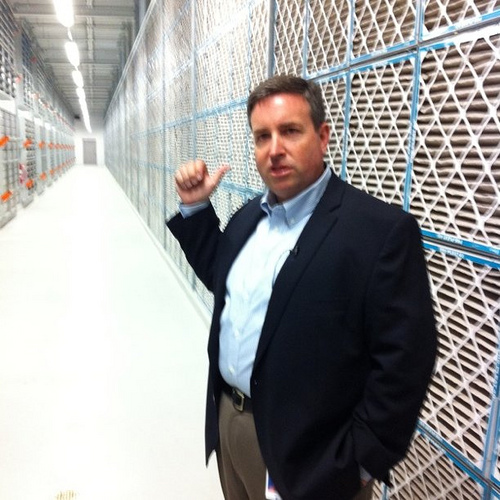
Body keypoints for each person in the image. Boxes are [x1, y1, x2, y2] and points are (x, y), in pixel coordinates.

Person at [167, 75, 436, 500]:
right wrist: (197, 207)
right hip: (231, 423)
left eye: (290, 131)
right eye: (262, 136)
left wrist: (360, 463)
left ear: (323, 136)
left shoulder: (377, 232)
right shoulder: (248, 219)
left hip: (312, 454)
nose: (274, 149)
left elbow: (406, 360)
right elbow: (225, 283)